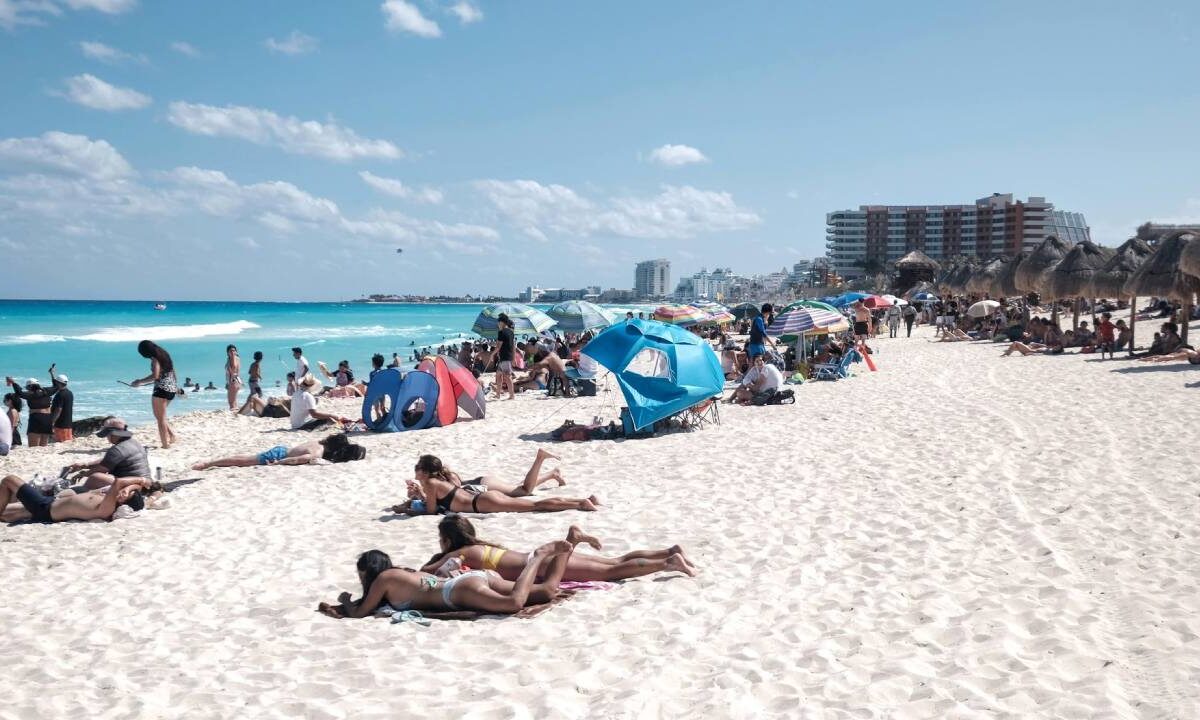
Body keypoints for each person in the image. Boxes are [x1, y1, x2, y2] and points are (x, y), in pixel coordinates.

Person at [318, 541, 575, 619]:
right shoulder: (404, 572)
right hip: (472, 579)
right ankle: (568, 546)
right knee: (547, 591)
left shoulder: (384, 579)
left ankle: (538, 557)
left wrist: (344, 600)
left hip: (459, 590)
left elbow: (360, 612)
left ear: (367, 572)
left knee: (513, 603)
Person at [422, 516, 696, 582]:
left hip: (541, 566)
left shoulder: (461, 553)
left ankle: (668, 562)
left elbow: (428, 572)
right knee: (614, 560)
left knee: (611, 572)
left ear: (448, 541)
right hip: (538, 559)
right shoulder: (479, 545)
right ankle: (668, 550)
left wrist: (437, 560)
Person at [396, 452, 598, 515]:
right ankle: (582, 500)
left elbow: (431, 511)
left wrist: (408, 510)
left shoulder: (431, 484)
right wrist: (419, 497)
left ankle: (580, 503)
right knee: (530, 500)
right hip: (482, 498)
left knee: (534, 505)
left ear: (423, 472)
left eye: (417, 468)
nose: (415, 472)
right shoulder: (437, 482)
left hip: (482, 504)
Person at [1, 473, 157, 524]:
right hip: (50, 503)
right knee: (6, 514)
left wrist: (140, 481)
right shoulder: (108, 499)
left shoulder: (106, 509)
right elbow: (129, 486)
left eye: (125, 494)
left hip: (45, 509)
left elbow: (118, 482)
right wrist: (132, 487)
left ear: (125, 502)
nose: (122, 491)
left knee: (10, 480)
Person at [62, 417, 152, 490]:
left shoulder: (117, 449)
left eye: (107, 435)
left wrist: (83, 474)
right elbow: (108, 461)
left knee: (95, 478)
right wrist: (84, 465)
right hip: (145, 483)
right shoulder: (134, 443)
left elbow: (102, 469)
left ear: (113, 434)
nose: (107, 438)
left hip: (131, 484)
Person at [192, 433, 367, 470]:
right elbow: (298, 459)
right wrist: (278, 463)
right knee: (243, 460)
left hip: (283, 448)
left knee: (244, 458)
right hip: (280, 455)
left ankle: (211, 462)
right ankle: (209, 463)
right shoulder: (318, 452)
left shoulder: (317, 442)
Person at [131, 339, 179, 448]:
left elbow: (155, 376)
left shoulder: (155, 359)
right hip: (171, 389)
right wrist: (175, 386)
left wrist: (139, 382)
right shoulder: (165, 354)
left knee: (160, 418)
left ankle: (165, 445)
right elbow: (173, 370)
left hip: (161, 390)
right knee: (160, 416)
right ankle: (172, 436)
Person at [4, 375, 65, 447]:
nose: (27, 390)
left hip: (36, 419)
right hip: (47, 419)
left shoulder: (31, 394)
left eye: (27, 388)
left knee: (33, 447)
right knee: (43, 446)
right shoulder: (47, 391)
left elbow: (20, 393)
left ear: (30, 387)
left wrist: (13, 382)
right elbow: (56, 387)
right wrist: (52, 375)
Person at [290, 375, 355, 430]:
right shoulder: (307, 396)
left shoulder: (296, 393)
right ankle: (342, 427)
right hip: (302, 426)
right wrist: (331, 415)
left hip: (294, 425)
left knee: (326, 417)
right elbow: (314, 414)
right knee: (329, 419)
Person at [494, 313, 516, 401]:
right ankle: (498, 394)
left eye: (498, 322)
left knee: (507, 376)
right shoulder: (511, 332)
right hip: (507, 357)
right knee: (498, 375)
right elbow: (513, 346)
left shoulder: (501, 332)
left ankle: (512, 395)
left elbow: (498, 347)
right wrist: (513, 358)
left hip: (505, 357)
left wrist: (492, 354)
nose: (498, 324)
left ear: (502, 322)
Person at [48, 366, 74, 442]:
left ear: (58, 383)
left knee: (61, 442)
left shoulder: (60, 395)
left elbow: (58, 410)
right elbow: (55, 384)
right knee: (67, 442)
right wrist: (52, 373)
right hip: (68, 424)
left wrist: (52, 422)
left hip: (60, 425)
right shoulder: (69, 393)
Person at [223, 345, 242, 410]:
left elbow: (234, 368)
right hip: (236, 380)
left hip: (233, 381)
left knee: (231, 402)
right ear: (227, 352)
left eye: (233, 350)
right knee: (234, 401)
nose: (232, 352)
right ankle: (236, 413)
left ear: (236, 351)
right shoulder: (236, 358)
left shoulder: (234, 358)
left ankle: (234, 413)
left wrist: (233, 357)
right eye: (230, 351)